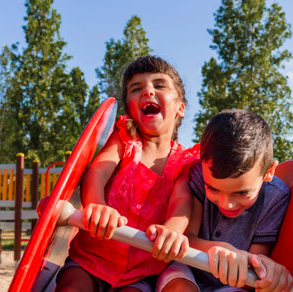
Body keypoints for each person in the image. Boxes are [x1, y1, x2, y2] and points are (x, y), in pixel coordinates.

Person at [56, 56, 196, 292]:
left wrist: (172, 230)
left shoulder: (185, 161)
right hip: (90, 259)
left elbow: (182, 201)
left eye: (159, 85)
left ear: (180, 107)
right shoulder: (125, 139)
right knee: (71, 287)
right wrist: (97, 206)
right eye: (136, 88)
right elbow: (97, 172)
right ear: (129, 107)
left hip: (141, 270)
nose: (148, 91)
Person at [157, 110, 293, 292]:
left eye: (242, 193)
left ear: (268, 172)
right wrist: (217, 248)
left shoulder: (274, 197)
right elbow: (186, 238)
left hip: (234, 281)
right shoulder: (199, 173)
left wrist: (266, 270)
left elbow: (254, 265)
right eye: (213, 188)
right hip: (187, 266)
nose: (226, 204)